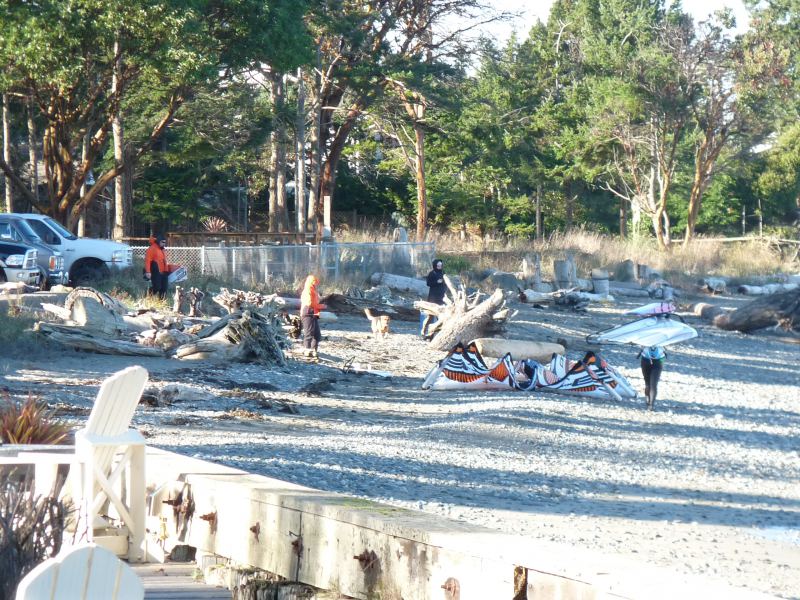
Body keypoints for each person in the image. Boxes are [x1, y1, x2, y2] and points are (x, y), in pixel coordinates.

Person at [300, 274, 326, 359]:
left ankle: (313, 350)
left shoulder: (313, 290)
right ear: (311, 282)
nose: (316, 284)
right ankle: (307, 350)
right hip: (307, 313)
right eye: (314, 283)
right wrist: (321, 306)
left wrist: (319, 305)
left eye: (316, 283)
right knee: (309, 333)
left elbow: (315, 302)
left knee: (317, 335)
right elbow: (310, 303)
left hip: (313, 313)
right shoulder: (308, 290)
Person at [421, 258, 446, 337]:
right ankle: (424, 331)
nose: (439, 266)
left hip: (441, 296)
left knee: (441, 316)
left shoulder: (443, 272)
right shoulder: (432, 273)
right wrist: (436, 282)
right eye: (438, 265)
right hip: (433, 296)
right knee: (430, 316)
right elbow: (428, 283)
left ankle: (439, 333)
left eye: (440, 265)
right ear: (435, 265)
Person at [639, 345, 666, 410]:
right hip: (645, 359)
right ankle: (648, 401)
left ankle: (651, 405)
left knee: (653, 384)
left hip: (658, 360)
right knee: (647, 384)